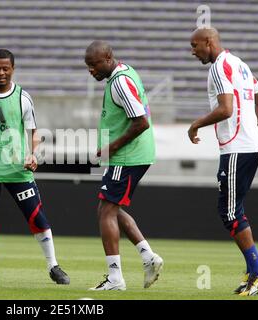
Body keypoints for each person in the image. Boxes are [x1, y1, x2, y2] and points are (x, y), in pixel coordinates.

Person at [0, 49, 70, 285]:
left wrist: (33, 154)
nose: (1, 73)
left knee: (37, 217)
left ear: (13, 69)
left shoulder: (23, 98)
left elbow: (33, 132)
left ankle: (53, 266)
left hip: (17, 170)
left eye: (5, 68)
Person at [189, 27, 258, 296]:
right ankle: (253, 271)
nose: (193, 51)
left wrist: (196, 124)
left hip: (238, 148)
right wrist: (251, 130)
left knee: (229, 212)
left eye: (195, 45)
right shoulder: (240, 64)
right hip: (249, 145)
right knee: (233, 208)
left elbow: (226, 109)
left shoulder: (218, 66)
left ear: (209, 42)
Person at [84, 40, 163, 291]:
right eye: (87, 66)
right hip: (130, 155)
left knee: (106, 211)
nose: (91, 70)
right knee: (110, 209)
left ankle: (115, 278)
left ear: (108, 58)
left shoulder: (119, 82)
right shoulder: (123, 73)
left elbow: (141, 122)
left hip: (127, 157)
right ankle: (148, 257)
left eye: (94, 65)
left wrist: (113, 147)